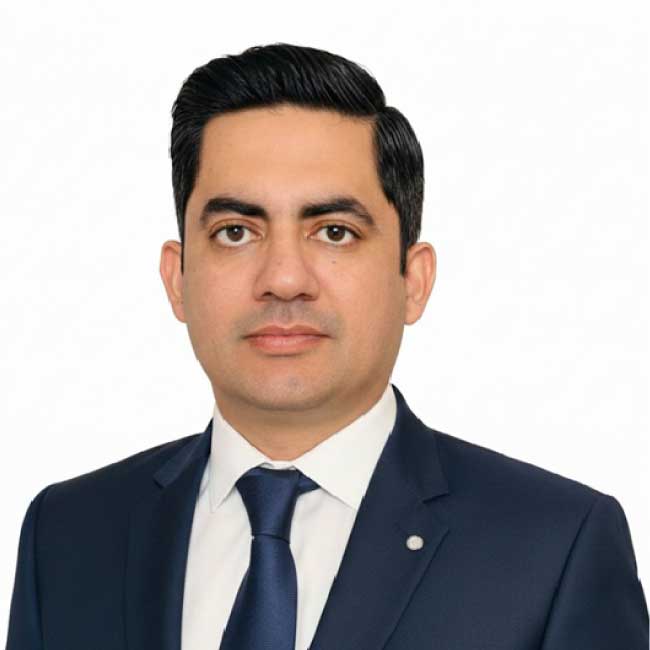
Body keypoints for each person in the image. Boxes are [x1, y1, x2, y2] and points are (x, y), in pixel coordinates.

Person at [5, 42, 648, 650]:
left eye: (334, 231)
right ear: (178, 279)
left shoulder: (555, 546)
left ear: (413, 280)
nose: (284, 278)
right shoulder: (66, 534)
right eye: (235, 231)